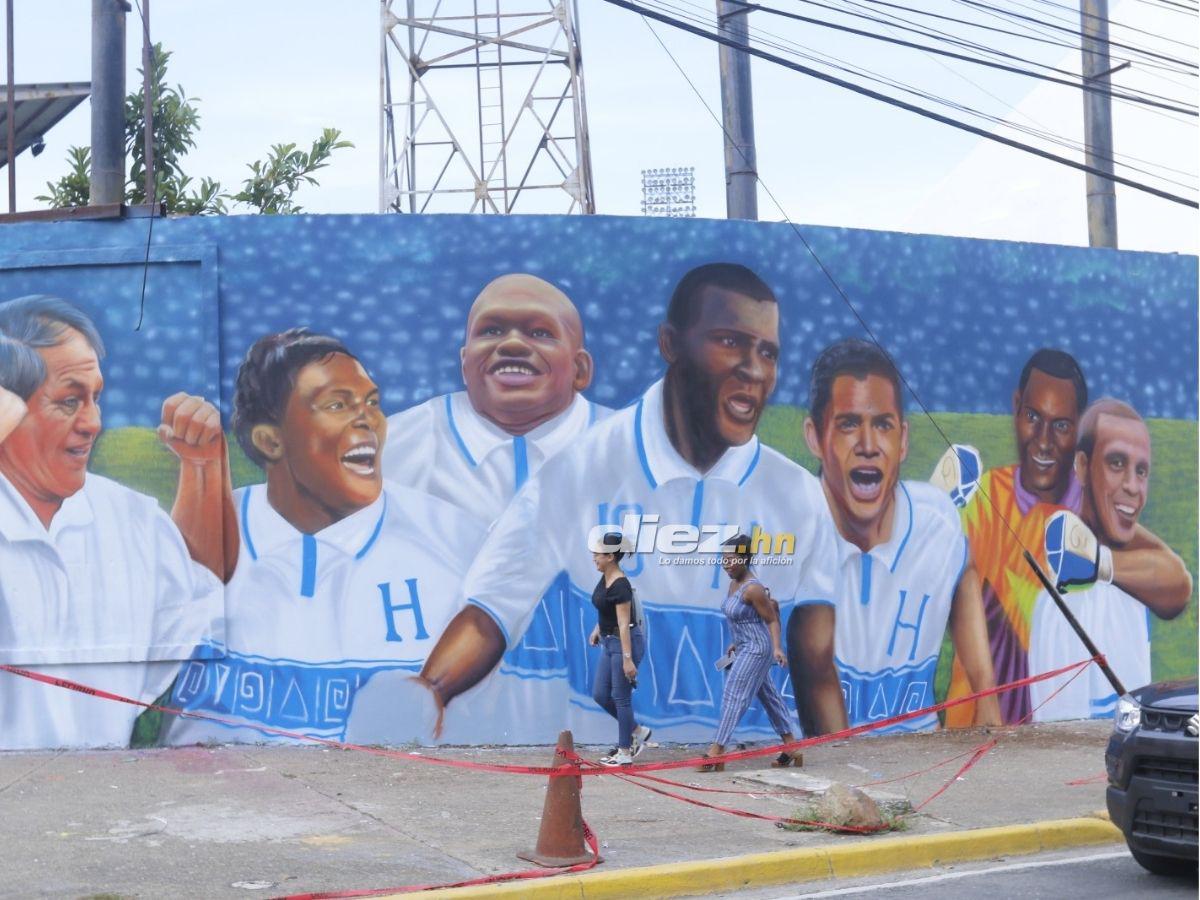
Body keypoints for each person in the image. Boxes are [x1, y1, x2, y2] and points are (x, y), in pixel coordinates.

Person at [395, 262, 841, 743]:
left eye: (768, 352)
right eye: (730, 341)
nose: (753, 370)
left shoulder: (796, 494)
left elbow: (815, 666)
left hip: (753, 792)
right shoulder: (580, 469)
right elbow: (489, 612)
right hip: (616, 792)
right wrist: (428, 692)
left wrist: (846, 781)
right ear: (670, 344)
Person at [163, 329, 484, 745]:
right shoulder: (210, 530)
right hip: (214, 801)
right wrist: (200, 470)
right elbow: (166, 608)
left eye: (372, 402)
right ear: (270, 440)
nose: (368, 419)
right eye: (337, 405)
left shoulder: (454, 541)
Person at [0, 295, 228, 750]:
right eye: (69, 401)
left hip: (104, 805)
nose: (93, 423)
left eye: (95, 398)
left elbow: (197, 629)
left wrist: (202, 469)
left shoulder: (134, 522)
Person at [788, 339, 1000, 735]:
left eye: (882, 425)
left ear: (902, 440)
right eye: (848, 424)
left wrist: (987, 702)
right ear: (815, 436)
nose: (868, 446)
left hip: (916, 763)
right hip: (818, 774)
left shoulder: (937, 523)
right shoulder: (787, 528)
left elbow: (965, 572)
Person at [383, 273, 610, 525]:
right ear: (464, 363)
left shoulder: (628, 443)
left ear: (580, 370)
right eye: (491, 330)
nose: (513, 344)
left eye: (539, 332)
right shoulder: (396, 444)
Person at [1029, 398, 1190, 721]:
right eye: (1117, 463)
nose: (1133, 487)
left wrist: (1097, 559)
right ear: (1083, 466)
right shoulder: (1064, 607)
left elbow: (1179, 584)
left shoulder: (1125, 570)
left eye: (1141, 470)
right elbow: (1062, 741)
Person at [697, 534, 801, 772]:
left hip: (757, 649)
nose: (727, 563)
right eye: (724, 558)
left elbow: (772, 618)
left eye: (732, 558)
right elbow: (741, 619)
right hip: (744, 647)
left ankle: (717, 750)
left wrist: (776, 648)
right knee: (770, 699)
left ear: (745, 558)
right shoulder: (733, 584)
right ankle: (791, 746)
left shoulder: (753, 589)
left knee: (734, 694)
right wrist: (735, 641)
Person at [587, 531, 651, 766]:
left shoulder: (621, 585)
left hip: (625, 643)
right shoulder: (605, 578)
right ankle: (637, 731)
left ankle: (625, 752)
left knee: (621, 698)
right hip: (609, 642)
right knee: (600, 695)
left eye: (598, 554)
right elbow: (606, 610)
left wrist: (628, 659)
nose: (594, 557)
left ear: (611, 556)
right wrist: (597, 630)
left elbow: (624, 624)